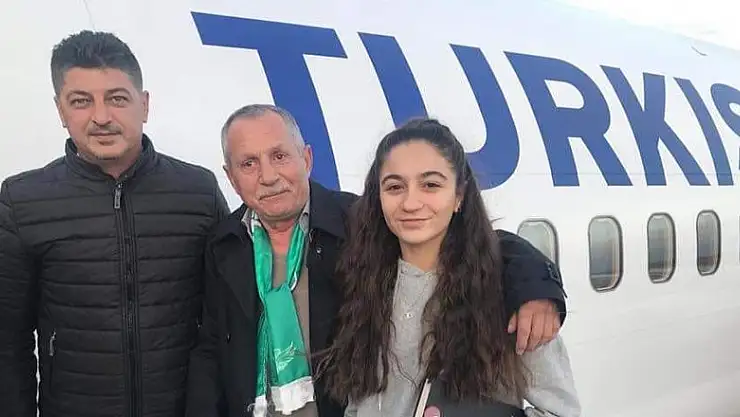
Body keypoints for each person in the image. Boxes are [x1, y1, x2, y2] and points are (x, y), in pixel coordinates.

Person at [185, 105, 569, 417]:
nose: (268, 176)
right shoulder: (224, 244)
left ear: (307, 159)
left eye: (279, 156)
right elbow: (211, 348)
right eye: (248, 164)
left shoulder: (353, 225)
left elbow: (475, 242)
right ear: (231, 178)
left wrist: (536, 283)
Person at [0, 31, 229, 417]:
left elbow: (225, 321)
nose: (102, 117)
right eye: (81, 101)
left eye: (117, 98)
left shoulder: (198, 191)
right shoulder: (22, 201)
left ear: (144, 104)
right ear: (60, 111)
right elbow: (8, 343)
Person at [316, 117, 580, 417]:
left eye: (430, 185)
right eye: (395, 187)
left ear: (459, 196)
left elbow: (562, 411)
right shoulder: (365, 284)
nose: (410, 203)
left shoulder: (508, 292)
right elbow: (360, 402)